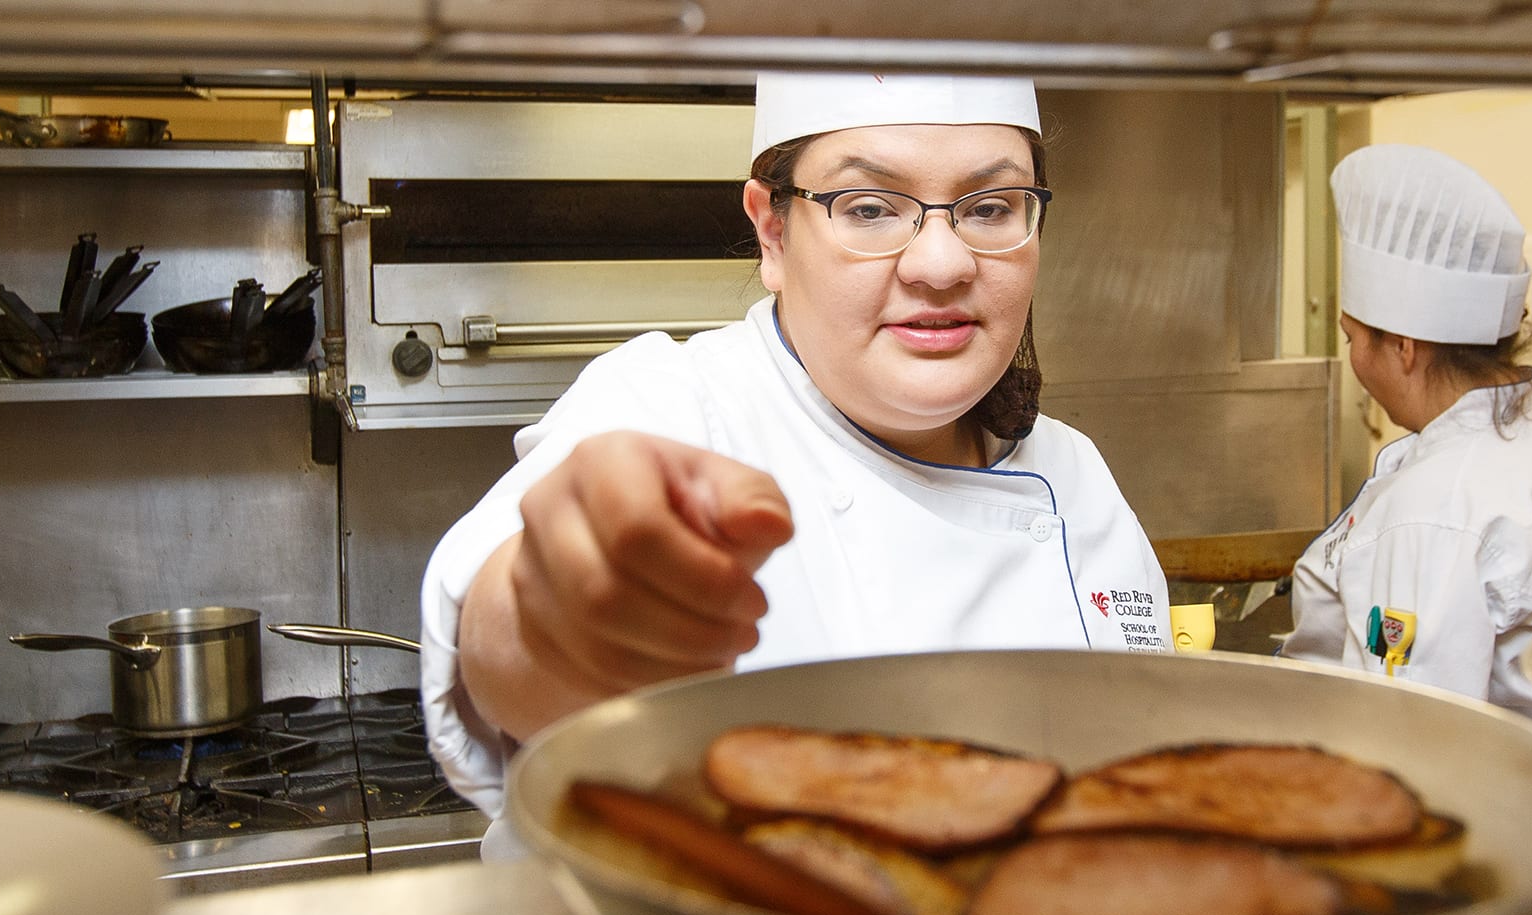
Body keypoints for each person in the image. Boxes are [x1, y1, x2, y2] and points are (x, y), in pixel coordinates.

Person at [419, 73, 1172, 857]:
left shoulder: (1076, 475)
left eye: (990, 208)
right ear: (772, 234)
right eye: (870, 209)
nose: (942, 264)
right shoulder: (673, 406)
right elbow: (507, 646)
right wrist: (561, 616)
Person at [1280, 144, 1532, 732]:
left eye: (1353, 338)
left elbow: (1409, 733)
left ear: (1404, 348)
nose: (1354, 359)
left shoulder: (1433, 506)